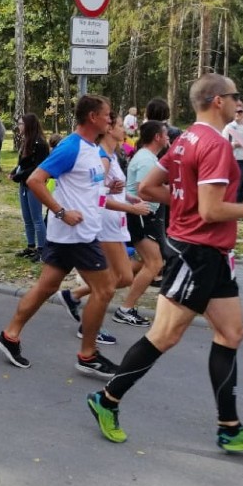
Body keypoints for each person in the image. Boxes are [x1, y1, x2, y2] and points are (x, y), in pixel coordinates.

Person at [86, 73, 243, 455]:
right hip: (196, 254)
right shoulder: (214, 145)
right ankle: (106, 400)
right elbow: (210, 210)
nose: (239, 103)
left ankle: (229, 428)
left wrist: (188, 206)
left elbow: (149, 188)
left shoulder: (183, 140)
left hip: (213, 255)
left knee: (232, 333)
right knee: (164, 336)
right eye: (235, 97)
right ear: (217, 101)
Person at [0, 95, 119, 378]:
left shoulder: (90, 147)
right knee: (106, 288)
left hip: (73, 234)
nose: (110, 119)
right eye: (107, 115)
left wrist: (108, 191)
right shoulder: (71, 146)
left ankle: (9, 335)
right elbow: (35, 180)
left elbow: (86, 187)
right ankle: (88, 355)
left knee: (46, 287)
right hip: (76, 234)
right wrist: (61, 212)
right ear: (92, 117)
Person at [53, 112, 151, 345]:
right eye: (118, 124)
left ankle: (75, 298)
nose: (123, 128)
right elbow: (98, 197)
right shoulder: (102, 157)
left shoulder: (112, 155)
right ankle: (88, 326)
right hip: (105, 223)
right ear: (108, 129)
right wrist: (130, 208)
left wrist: (130, 198)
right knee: (115, 280)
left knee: (118, 278)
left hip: (115, 221)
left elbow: (108, 189)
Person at [108, 120, 170, 326]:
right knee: (155, 264)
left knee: (141, 263)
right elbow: (144, 190)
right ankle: (126, 309)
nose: (169, 137)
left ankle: (82, 292)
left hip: (143, 214)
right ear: (157, 137)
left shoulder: (149, 157)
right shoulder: (146, 160)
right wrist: (174, 195)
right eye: (166, 134)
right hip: (141, 215)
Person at [10, 113, 49, 261]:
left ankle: (42, 249)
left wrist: (19, 175)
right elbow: (23, 163)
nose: (19, 127)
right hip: (24, 184)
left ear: (28, 125)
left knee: (37, 218)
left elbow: (37, 167)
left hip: (34, 185)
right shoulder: (26, 141)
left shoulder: (40, 144)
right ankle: (31, 246)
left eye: (21, 124)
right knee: (27, 218)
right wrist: (15, 171)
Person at [222, 100, 243, 203]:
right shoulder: (229, 127)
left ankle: (239, 209)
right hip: (236, 160)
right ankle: (232, 208)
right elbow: (224, 145)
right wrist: (237, 144)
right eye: (235, 112)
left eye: (240, 112)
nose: (237, 114)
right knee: (237, 186)